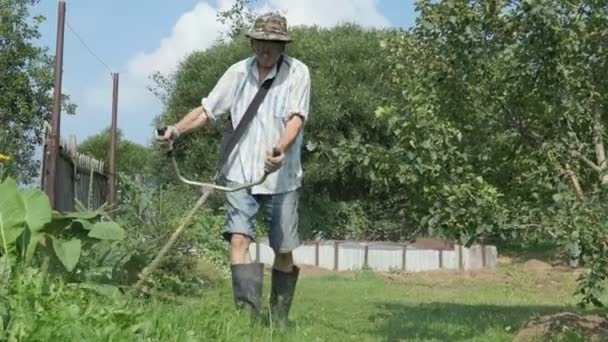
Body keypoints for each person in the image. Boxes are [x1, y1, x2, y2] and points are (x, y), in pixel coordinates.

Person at [155, 12, 311, 329]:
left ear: (283, 46)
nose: (265, 49)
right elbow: (206, 110)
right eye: (261, 42)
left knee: (282, 250)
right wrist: (176, 130)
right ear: (253, 41)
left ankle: (279, 320)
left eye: (273, 43)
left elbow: (296, 119)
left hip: (281, 178)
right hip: (240, 175)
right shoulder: (238, 72)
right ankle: (247, 319)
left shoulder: (298, 73)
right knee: (239, 241)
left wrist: (279, 149)